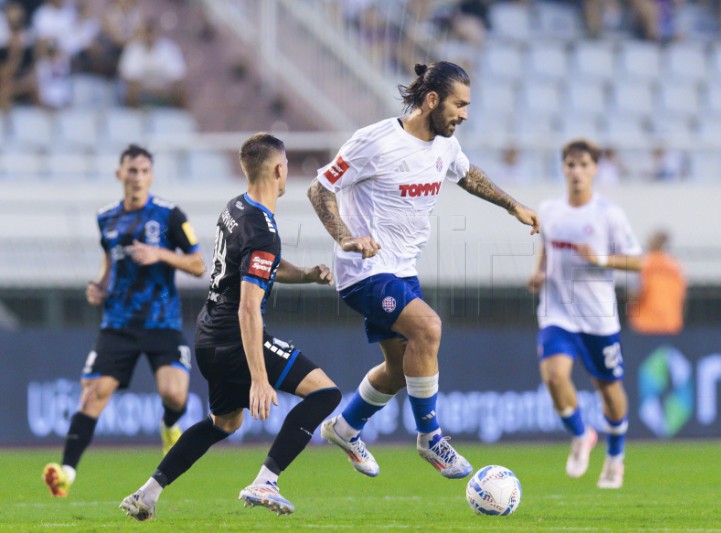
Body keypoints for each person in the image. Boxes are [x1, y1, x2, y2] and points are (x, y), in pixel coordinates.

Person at [308, 61, 539, 480]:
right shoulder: (373, 141)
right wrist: (344, 237)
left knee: (400, 370)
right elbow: (319, 186)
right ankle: (431, 438)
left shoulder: (445, 146)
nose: (465, 114)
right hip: (364, 269)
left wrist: (514, 206)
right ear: (432, 100)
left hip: (402, 269)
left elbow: (468, 176)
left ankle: (345, 427)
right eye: (459, 105)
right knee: (428, 328)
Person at [119, 133, 342, 520]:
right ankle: (266, 480)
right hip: (233, 334)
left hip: (208, 335)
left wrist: (306, 273)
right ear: (278, 169)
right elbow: (249, 309)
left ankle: (147, 493)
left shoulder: (236, 207)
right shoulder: (263, 230)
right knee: (326, 394)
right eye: (286, 164)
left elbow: (258, 265)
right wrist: (259, 377)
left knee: (224, 422)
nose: (287, 170)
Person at [42, 144, 207, 498]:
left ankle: (169, 424)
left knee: (174, 394)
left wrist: (160, 253)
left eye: (144, 170)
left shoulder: (169, 215)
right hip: (117, 322)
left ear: (151, 176)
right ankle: (66, 472)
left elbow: (198, 265)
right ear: (120, 174)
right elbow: (109, 266)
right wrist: (100, 287)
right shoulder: (107, 219)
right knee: (92, 396)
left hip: (162, 322)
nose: (137, 177)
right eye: (132, 170)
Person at [527, 139, 642, 490]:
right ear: (563, 168)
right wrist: (539, 273)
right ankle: (581, 435)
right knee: (554, 376)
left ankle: (615, 457)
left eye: (583, 165)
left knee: (608, 389)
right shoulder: (549, 210)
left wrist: (601, 259)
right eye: (571, 164)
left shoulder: (608, 213)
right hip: (558, 312)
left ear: (595, 169)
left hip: (597, 318)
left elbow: (637, 261)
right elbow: (547, 248)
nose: (577, 171)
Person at [629, 230, 686, 334]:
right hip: (670, 324)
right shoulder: (676, 266)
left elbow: (634, 293)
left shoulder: (643, 264)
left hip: (644, 324)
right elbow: (682, 293)